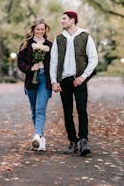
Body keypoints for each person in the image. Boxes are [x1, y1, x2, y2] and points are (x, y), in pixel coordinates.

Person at [50, 11, 98, 157]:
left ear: (72, 20)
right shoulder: (58, 39)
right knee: (67, 112)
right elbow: (54, 62)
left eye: (64, 19)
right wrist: (54, 81)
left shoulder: (85, 37)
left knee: (82, 110)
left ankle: (83, 141)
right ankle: (72, 142)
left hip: (79, 80)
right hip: (64, 81)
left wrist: (83, 77)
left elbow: (93, 59)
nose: (62, 21)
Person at [17, 18, 53, 151]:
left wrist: (55, 82)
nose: (40, 31)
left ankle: (36, 136)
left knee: (40, 109)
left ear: (45, 30)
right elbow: (20, 63)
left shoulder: (50, 45)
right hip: (31, 80)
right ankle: (41, 139)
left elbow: (55, 64)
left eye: (42, 29)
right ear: (33, 30)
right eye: (37, 29)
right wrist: (31, 68)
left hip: (45, 79)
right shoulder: (26, 44)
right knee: (34, 111)